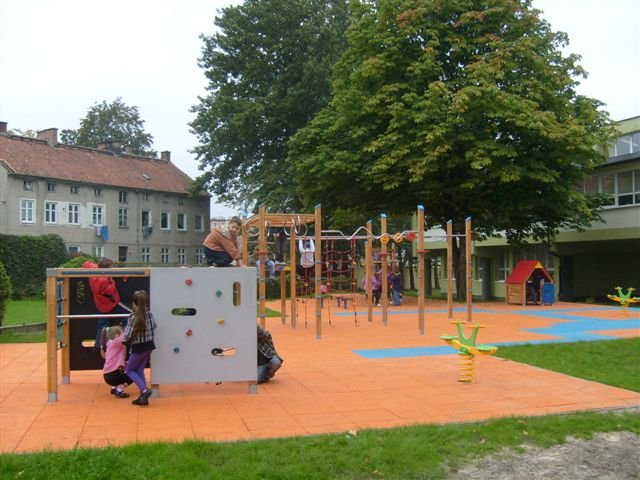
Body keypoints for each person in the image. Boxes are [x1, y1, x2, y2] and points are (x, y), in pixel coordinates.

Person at [84, 257, 131, 353]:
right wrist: (112, 280)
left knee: (102, 326)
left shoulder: (94, 270)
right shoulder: (104, 280)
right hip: (111, 305)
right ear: (106, 269)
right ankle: (126, 336)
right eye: (111, 268)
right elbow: (110, 291)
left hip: (100, 304)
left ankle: (98, 346)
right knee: (127, 315)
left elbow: (86, 264)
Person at [123, 290, 156, 406]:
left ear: (134, 304)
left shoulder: (133, 317)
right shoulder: (149, 314)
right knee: (139, 370)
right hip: (149, 345)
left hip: (138, 347)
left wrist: (124, 341)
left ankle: (144, 390)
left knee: (129, 370)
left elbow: (127, 334)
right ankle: (143, 397)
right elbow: (154, 326)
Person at [100, 325, 132, 398]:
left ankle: (114, 388)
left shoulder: (109, 345)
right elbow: (124, 335)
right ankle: (120, 389)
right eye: (120, 333)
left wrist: (125, 363)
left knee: (122, 372)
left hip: (107, 376)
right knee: (133, 374)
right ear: (116, 336)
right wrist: (130, 324)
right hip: (114, 375)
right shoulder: (116, 343)